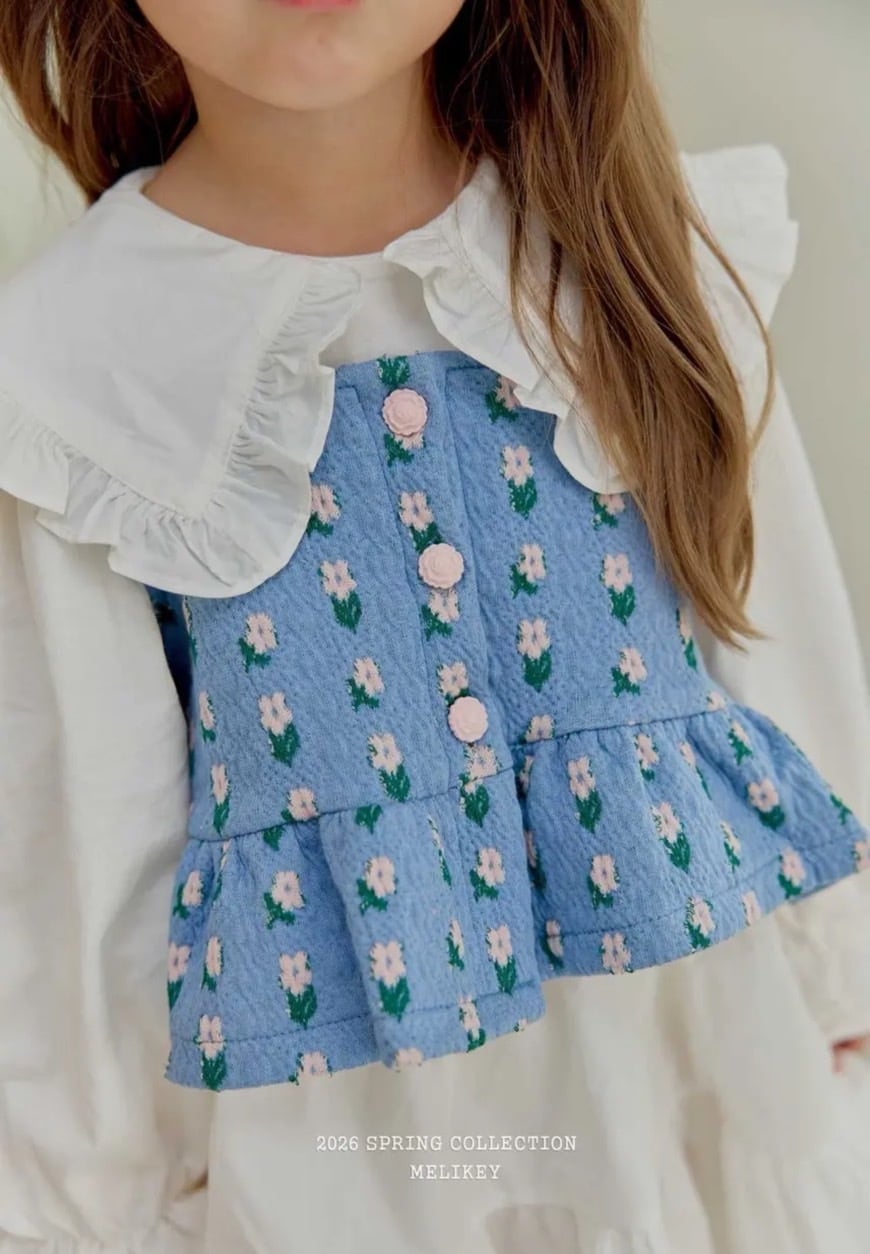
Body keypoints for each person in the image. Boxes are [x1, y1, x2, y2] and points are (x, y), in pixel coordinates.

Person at [1, 1, 869, 1250]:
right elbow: (88, 846)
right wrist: (94, 1201)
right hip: (346, 1174)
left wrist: (844, 975)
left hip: (698, 1102)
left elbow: (774, 638)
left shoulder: (642, 251)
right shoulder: (68, 377)